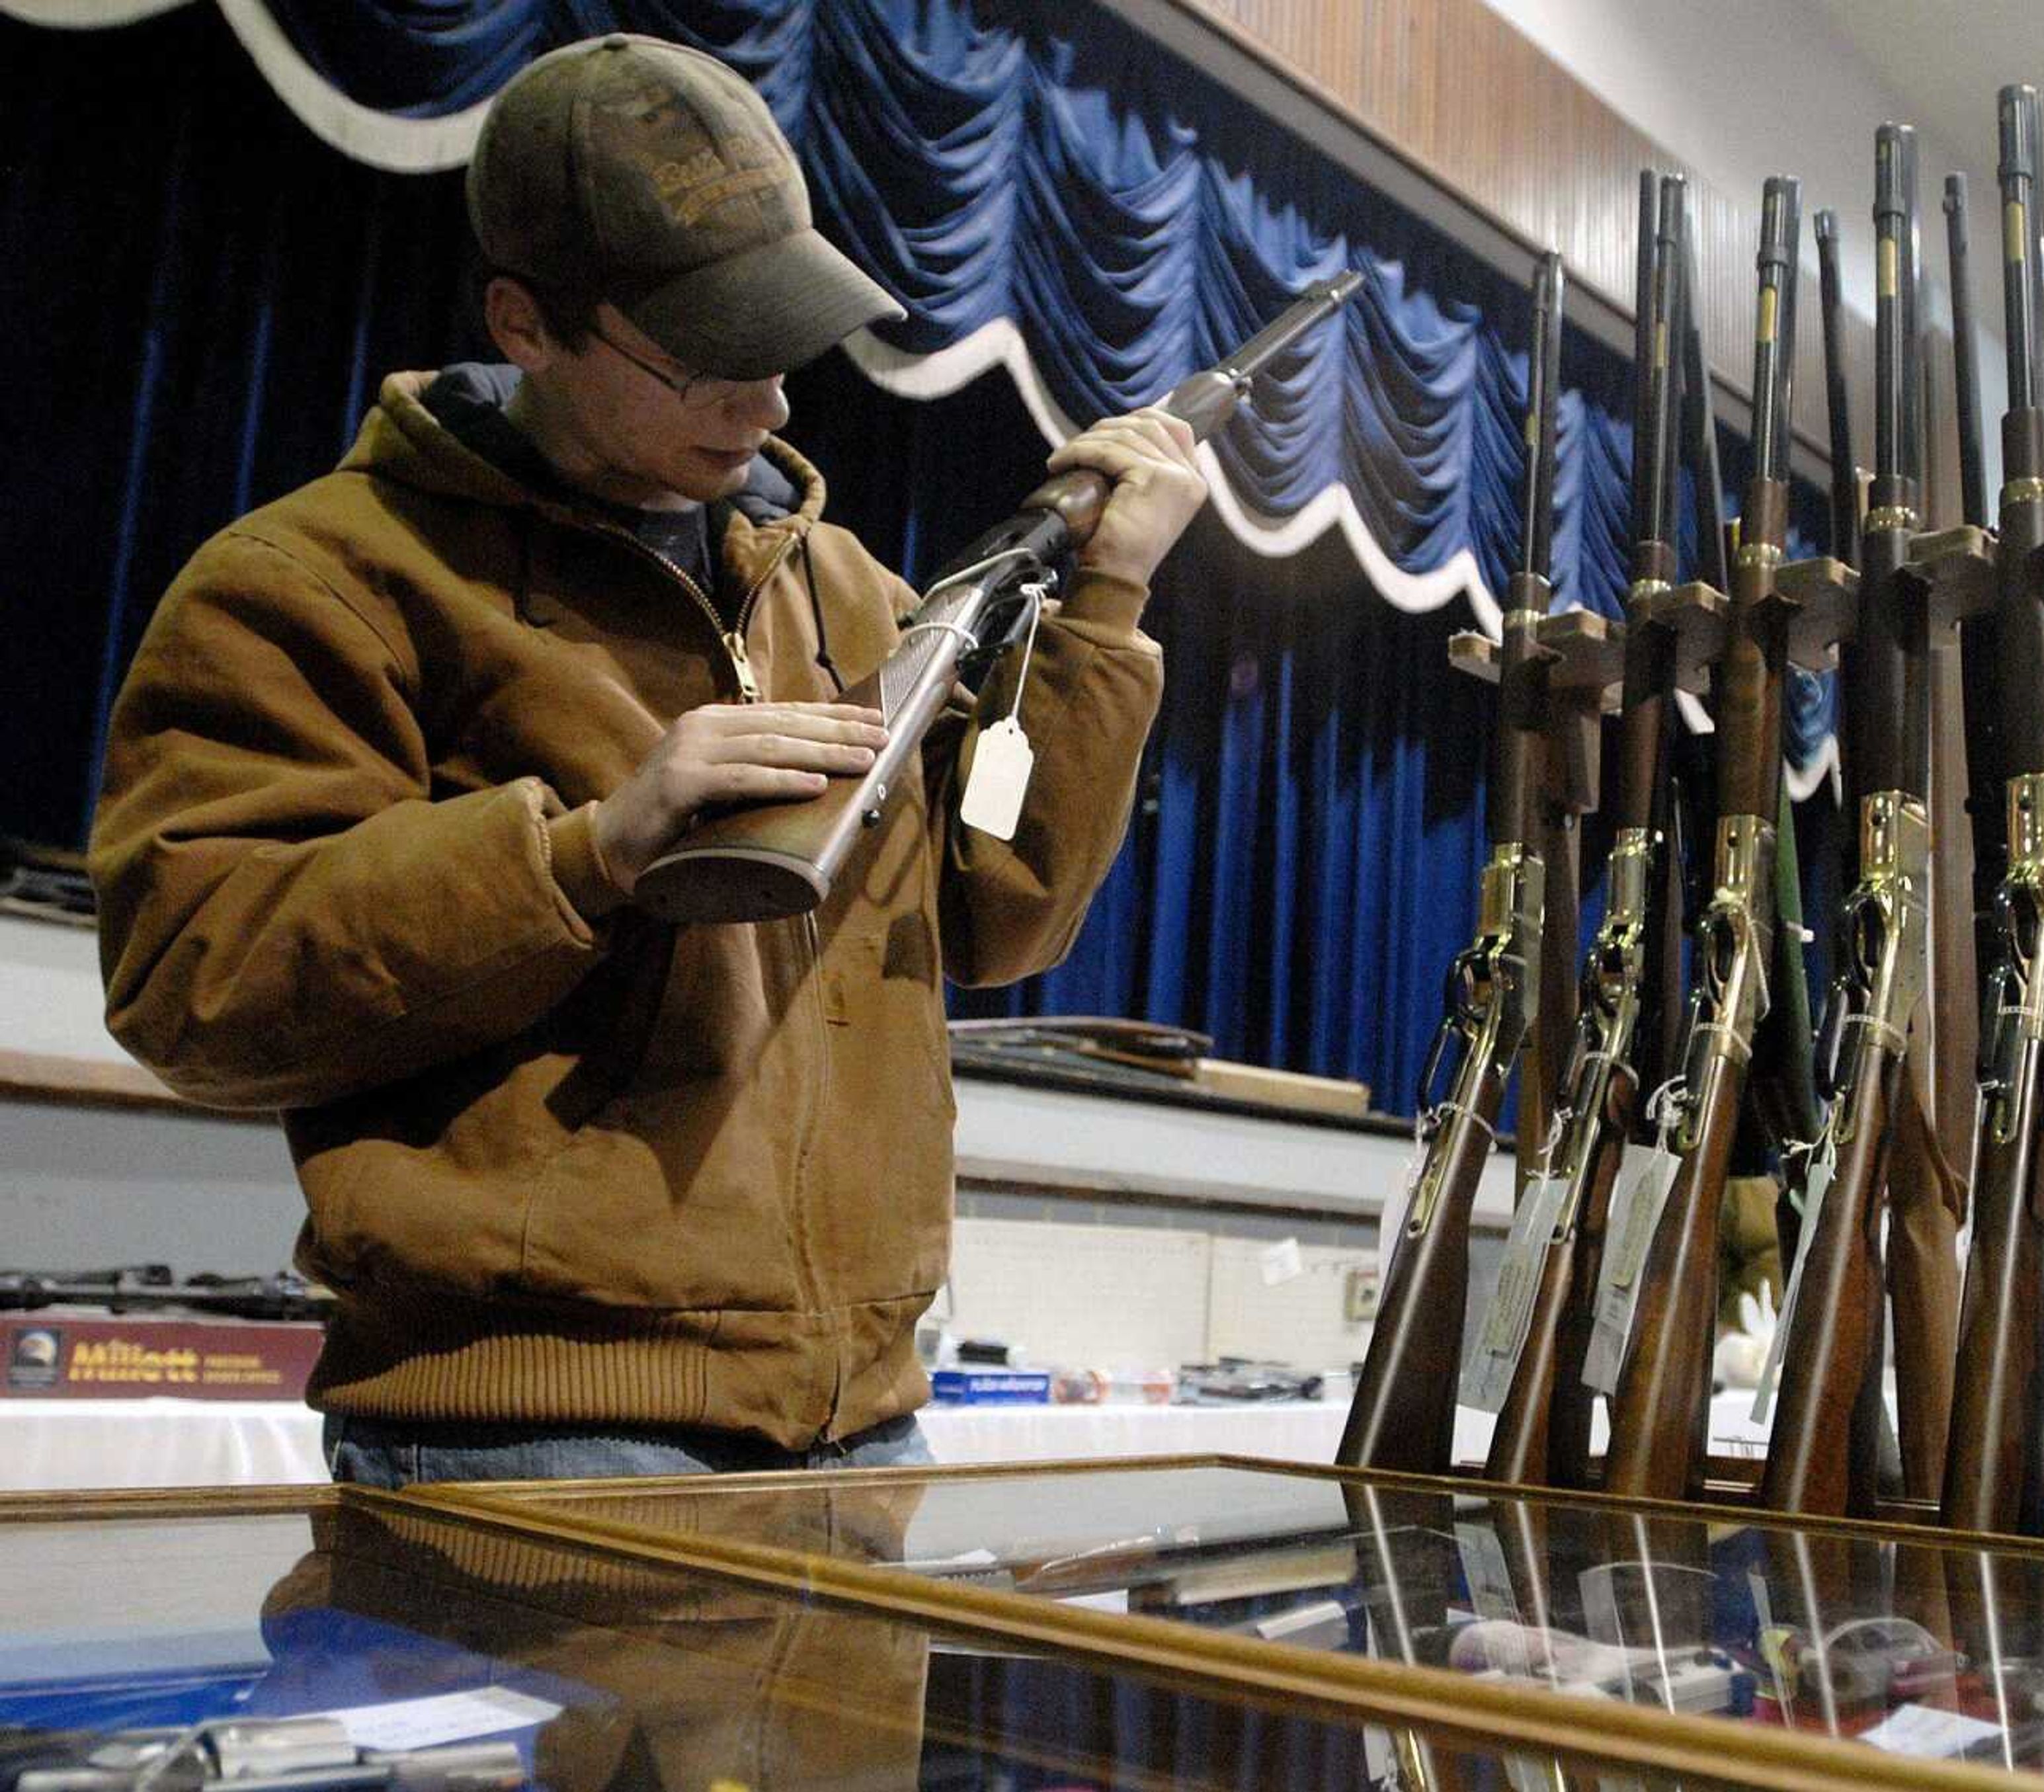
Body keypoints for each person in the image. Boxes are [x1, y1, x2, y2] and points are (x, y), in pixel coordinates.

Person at [87, 34, 1206, 1487]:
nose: (769, 409)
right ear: (525, 323)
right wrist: (590, 850)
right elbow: (193, 982)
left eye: (781, 353)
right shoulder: (319, 582)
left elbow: (1004, 922)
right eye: (707, 363)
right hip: (537, 1434)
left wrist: (1103, 611)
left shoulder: (849, 591)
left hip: (864, 1419)